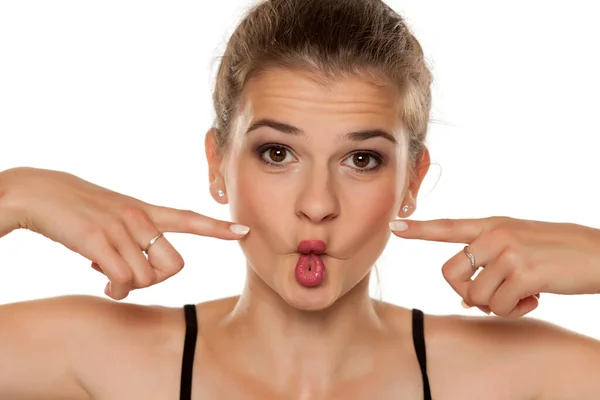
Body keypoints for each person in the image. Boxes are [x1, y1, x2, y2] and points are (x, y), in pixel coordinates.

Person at [1, 0, 600, 399]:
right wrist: (17, 194)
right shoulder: (96, 357)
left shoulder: (515, 376)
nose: (317, 204)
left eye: (361, 159)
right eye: (277, 153)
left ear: (412, 182)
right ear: (218, 164)